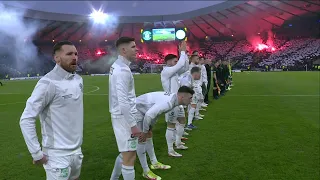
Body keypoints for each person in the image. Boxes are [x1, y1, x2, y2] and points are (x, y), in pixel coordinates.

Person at [19, 41, 84, 180]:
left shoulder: (78, 80)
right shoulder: (47, 83)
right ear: (57, 58)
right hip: (56, 154)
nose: (74, 57)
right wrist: (36, 153)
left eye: (76, 54)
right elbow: (26, 118)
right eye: (69, 54)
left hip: (77, 151)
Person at [135, 86, 195, 180]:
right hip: (136, 110)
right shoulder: (169, 103)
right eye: (190, 98)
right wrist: (144, 131)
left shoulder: (174, 100)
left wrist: (149, 128)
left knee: (149, 134)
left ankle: (154, 163)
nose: (191, 101)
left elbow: (155, 113)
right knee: (141, 139)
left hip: (144, 110)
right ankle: (146, 171)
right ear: (182, 97)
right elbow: (149, 115)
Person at [109, 37, 139, 180]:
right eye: (133, 47)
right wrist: (133, 125)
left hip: (120, 116)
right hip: (124, 118)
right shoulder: (122, 70)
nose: (136, 49)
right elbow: (123, 101)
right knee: (130, 156)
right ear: (123, 50)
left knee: (124, 154)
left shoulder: (117, 65)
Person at [161, 41, 189, 157]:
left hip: (178, 101)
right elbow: (180, 65)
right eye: (174, 61)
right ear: (168, 62)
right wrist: (182, 52)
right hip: (170, 102)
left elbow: (185, 67)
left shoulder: (175, 73)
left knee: (182, 120)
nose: (177, 63)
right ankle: (170, 150)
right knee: (171, 125)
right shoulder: (166, 71)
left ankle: (178, 143)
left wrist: (185, 54)